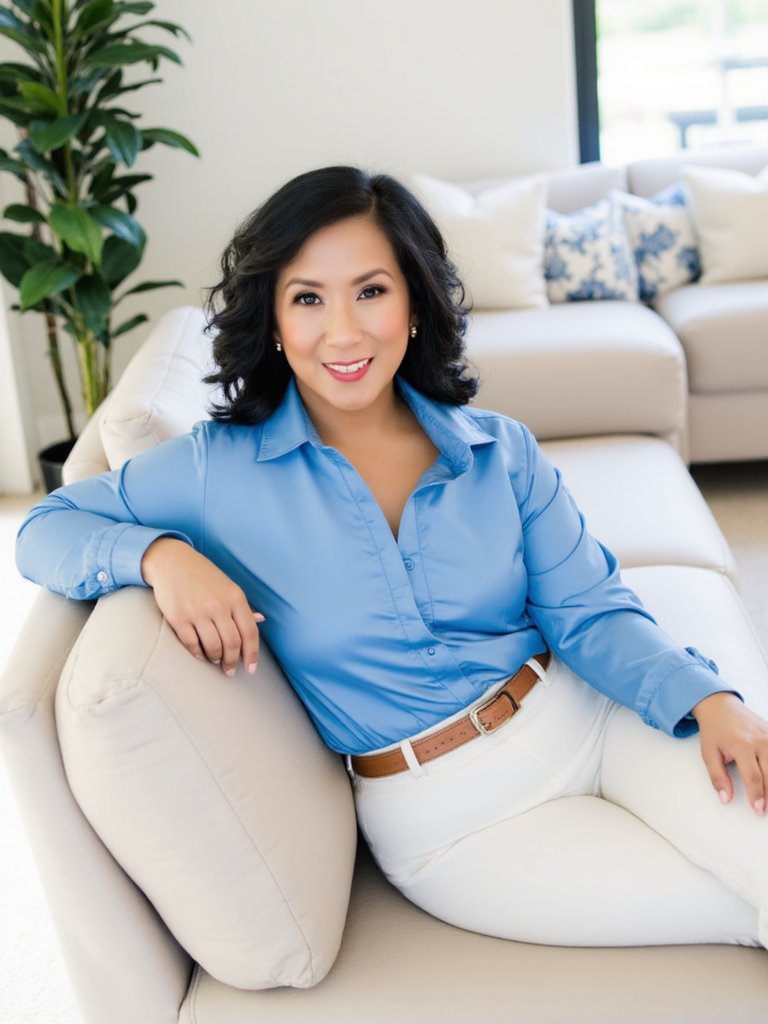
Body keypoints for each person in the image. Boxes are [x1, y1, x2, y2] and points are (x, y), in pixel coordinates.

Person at [16, 166, 768, 950]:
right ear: (273, 317)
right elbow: (45, 527)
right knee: (732, 918)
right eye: (308, 298)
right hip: (456, 818)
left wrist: (709, 699)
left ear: (414, 302)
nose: (343, 332)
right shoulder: (215, 471)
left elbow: (591, 611)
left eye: (370, 291)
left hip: (591, 718)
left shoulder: (498, 449)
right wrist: (159, 556)